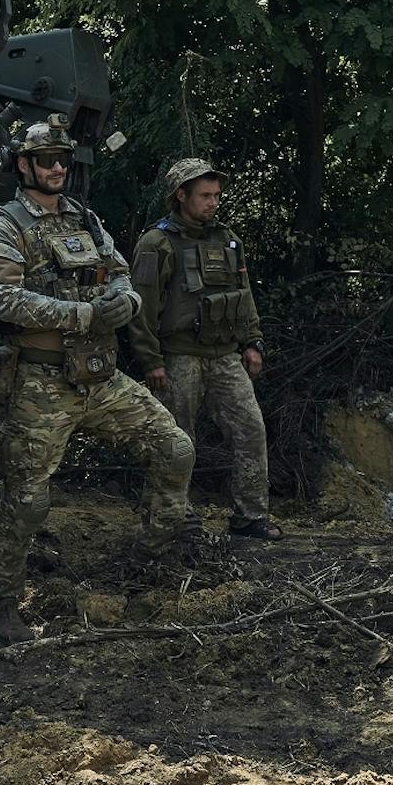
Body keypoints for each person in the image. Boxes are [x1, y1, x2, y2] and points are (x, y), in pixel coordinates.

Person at [0, 116, 195, 645]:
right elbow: (7, 301)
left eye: (63, 160)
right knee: (26, 500)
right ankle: (1, 603)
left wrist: (129, 302)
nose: (57, 168)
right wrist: (84, 315)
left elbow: (120, 274)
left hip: (101, 376)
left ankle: (145, 562)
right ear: (23, 165)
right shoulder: (5, 226)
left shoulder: (86, 220)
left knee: (175, 449)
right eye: (46, 160)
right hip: (40, 381)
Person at [129, 158, 281, 540]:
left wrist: (253, 342)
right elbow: (141, 309)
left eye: (216, 195)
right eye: (205, 195)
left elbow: (243, 295)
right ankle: (176, 517)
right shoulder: (156, 243)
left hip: (224, 355)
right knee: (177, 439)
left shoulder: (228, 240)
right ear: (181, 195)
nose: (213, 202)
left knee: (250, 429)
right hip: (178, 356)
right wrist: (150, 360)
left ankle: (251, 516)